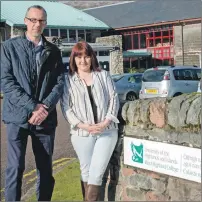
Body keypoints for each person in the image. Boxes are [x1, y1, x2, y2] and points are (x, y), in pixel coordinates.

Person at [1, 5, 65, 201]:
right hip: (17, 117)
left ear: (45, 23)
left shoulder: (53, 51)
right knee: (15, 169)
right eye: (34, 20)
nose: (38, 24)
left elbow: (60, 82)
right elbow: (6, 81)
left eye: (42, 21)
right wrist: (32, 106)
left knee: (45, 170)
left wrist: (44, 107)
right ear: (26, 21)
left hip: (44, 119)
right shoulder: (9, 48)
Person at [60, 41, 119, 201]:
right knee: (85, 171)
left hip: (106, 131)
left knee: (96, 174)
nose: (83, 61)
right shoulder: (68, 80)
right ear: (73, 59)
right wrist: (83, 125)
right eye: (79, 57)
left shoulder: (103, 75)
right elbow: (66, 107)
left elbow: (114, 99)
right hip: (81, 133)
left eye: (86, 57)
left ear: (92, 57)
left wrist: (106, 122)